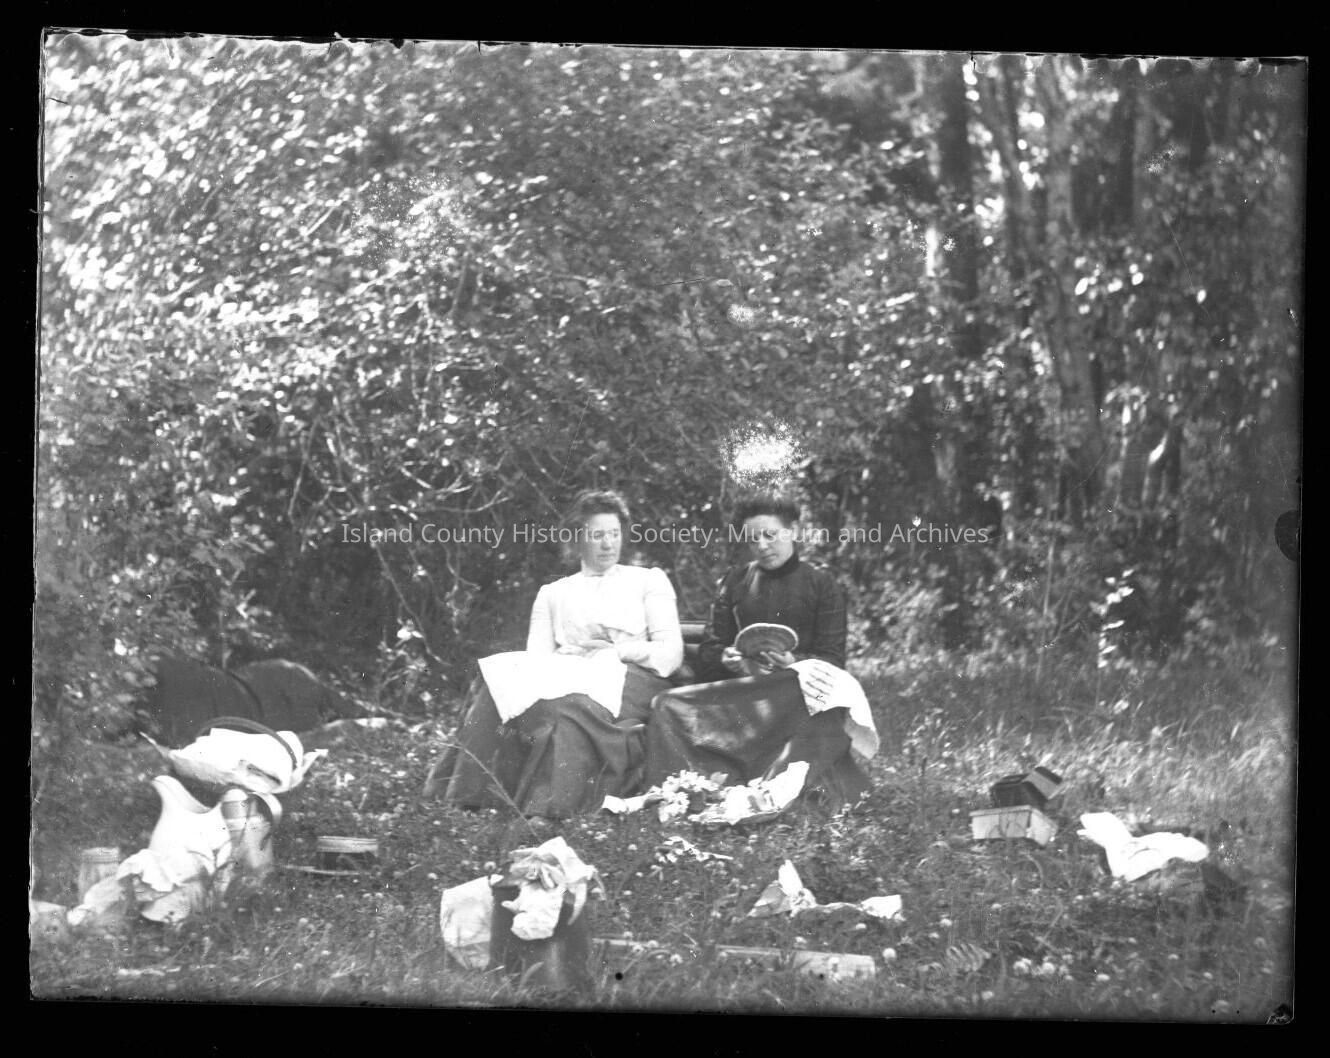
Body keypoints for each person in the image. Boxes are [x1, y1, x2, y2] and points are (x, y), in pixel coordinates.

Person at [424, 490, 684, 818]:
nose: (608, 544)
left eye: (614, 534)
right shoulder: (554, 593)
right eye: (597, 535)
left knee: (568, 707)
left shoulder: (648, 581)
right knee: (498, 688)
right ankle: (468, 797)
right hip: (570, 674)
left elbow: (670, 654)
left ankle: (547, 808)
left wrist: (617, 650)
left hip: (632, 677)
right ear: (577, 539)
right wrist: (567, 662)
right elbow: (538, 661)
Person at [644, 495, 872, 807]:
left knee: (821, 715)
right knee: (666, 704)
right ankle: (684, 790)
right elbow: (710, 649)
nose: (762, 545)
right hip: (744, 693)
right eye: (753, 539)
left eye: (770, 535)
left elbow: (833, 660)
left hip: (792, 695)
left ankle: (763, 786)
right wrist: (726, 658)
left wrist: (794, 662)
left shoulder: (822, 584)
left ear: (792, 531)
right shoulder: (735, 581)